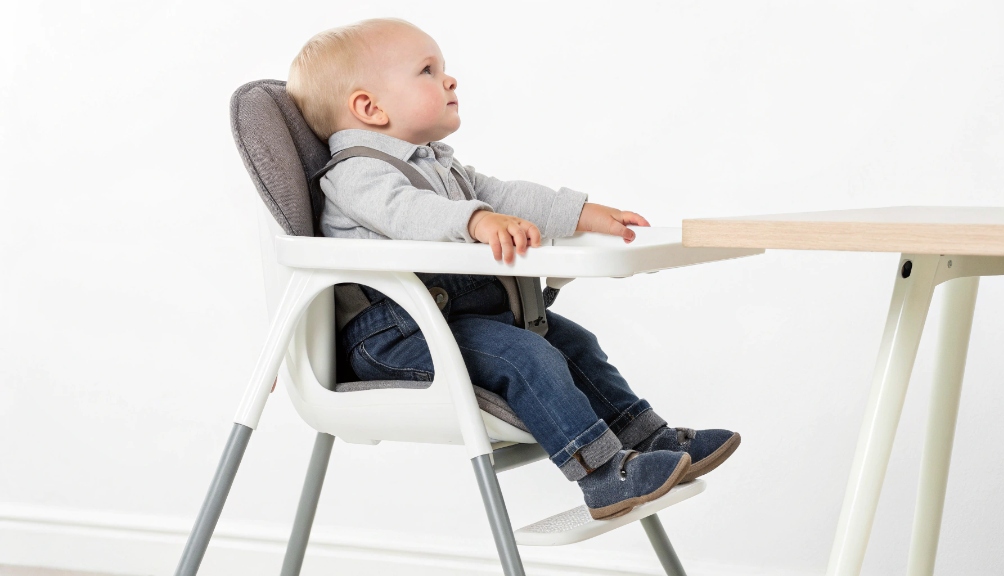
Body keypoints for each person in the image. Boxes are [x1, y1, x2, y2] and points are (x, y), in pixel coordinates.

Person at [286, 18, 740, 519]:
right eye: (428, 70)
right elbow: (408, 214)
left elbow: (504, 194)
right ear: (369, 107)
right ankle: (603, 474)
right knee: (527, 357)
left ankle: (648, 438)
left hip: (453, 321)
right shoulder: (355, 173)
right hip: (395, 337)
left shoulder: (440, 165)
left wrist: (580, 214)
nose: (450, 80)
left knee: (574, 343)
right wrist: (477, 220)